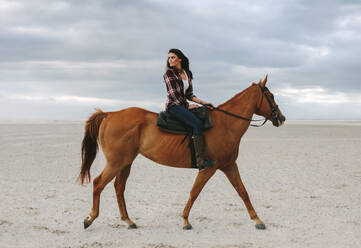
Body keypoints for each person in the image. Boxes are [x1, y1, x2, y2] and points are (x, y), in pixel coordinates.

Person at [163, 48, 216, 170]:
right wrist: (187, 106)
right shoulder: (169, 74)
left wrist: (203, 103)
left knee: (205, 114)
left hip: (183, 104)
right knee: (196, 124)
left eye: (173, 57)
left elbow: (189, 94)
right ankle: (200, 162)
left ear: (179, 59)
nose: (170, 60)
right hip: (174, 106)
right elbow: (174, 95)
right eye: (169, 58)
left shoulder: (188, 73)